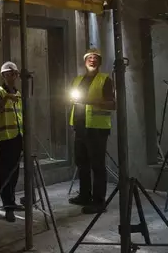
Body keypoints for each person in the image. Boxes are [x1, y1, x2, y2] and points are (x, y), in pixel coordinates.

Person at [68, 49, 115, 214]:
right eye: (89, 57)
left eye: (96, 58)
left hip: (97, 129)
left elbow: (112, 104)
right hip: (80, 127)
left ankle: (99, 202)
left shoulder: (105, 80)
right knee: (82, 164)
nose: (92, 60)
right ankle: (84, 195)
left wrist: (88, 100)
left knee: (97, 166)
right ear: (85, 61)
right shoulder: (77, 80)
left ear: (100, 62)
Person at [0, 61, 24, 222]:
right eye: (9, 73)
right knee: (5, 172)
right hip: (5, 138)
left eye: (15, 73)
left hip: (17, 136)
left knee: (15, 171)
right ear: (3, 75)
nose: (13, 76)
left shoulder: (18, 93)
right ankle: (8, 207)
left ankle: (12, 201)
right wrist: (6, 99)